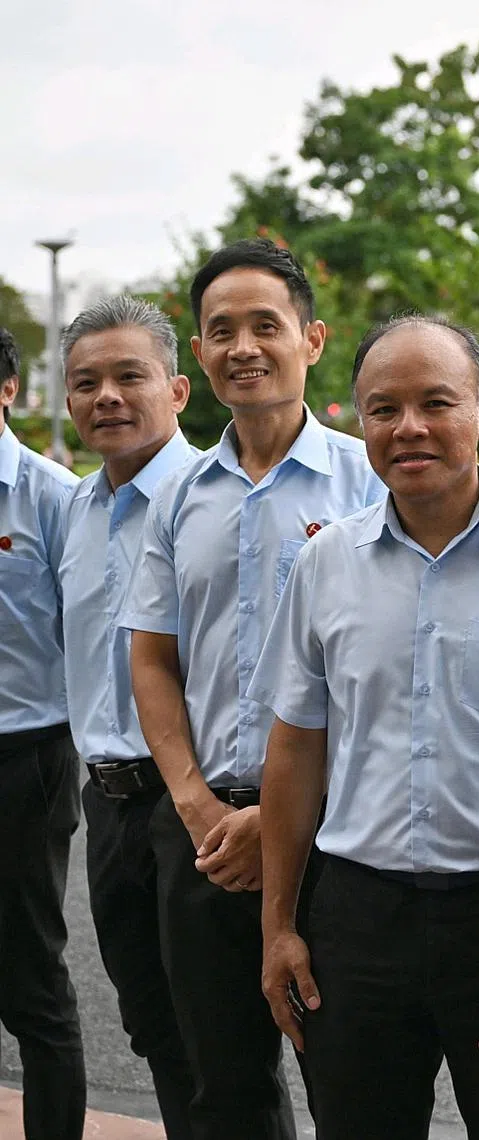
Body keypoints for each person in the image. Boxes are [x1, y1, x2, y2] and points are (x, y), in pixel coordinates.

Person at [252, 315, 479, 1139]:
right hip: (359, 922)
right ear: (359, 420)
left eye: (435, 402)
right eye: (382, 408)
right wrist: (278, 926)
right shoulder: (325, 563)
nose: (407, 427)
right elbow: (297, 750)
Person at [122, 239, 383, 1140]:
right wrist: (193, 804)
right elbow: (152, 656)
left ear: (311, 340)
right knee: (223, 1085)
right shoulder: (179, 494)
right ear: (197, 353)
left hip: (334, 835)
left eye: (264, 326)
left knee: (346, 1078)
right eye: (220, 330)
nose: (243, 346)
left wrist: (281, 822)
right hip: (201, 834)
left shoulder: (370, 478)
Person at [59, 296, 199, 1139]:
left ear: (178, 390)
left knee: (224, 1035)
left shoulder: (215, 500)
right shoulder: (70, 509)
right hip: (106, 804)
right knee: (152, 1030)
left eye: (128, 376)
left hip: (194, 803)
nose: (106, 396)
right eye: (86, 382)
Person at [0, 326, 85, 1140]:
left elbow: (89, 630)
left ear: (8, 391)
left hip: (25, 760)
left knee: (30, 979)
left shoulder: (52, 497)